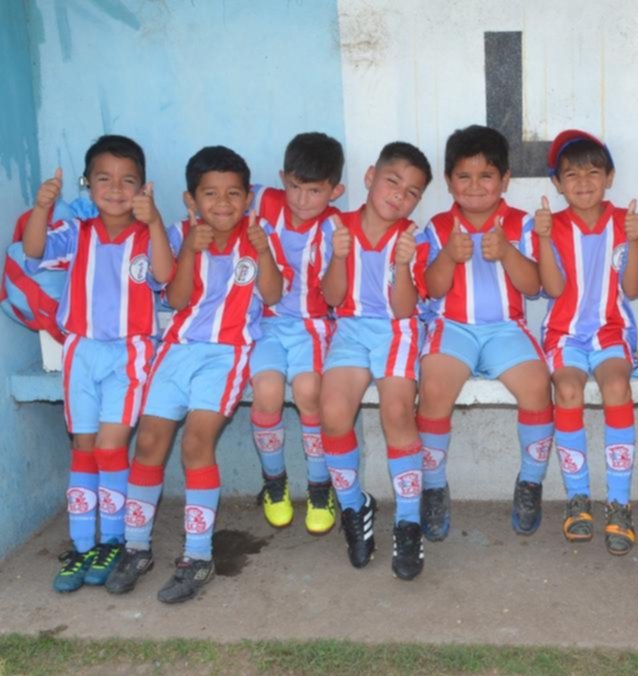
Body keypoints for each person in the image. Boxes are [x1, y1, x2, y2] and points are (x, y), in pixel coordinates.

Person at [105, 146, 288, 603]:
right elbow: (179, 298)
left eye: (233, 194)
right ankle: (135, 546)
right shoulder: (178, 234)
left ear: (247, 198)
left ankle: (198, 556)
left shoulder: (258, 236)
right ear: (191, 200)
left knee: (195, 443)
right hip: (177, 350)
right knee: (148, 441)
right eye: (210, 194)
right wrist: (188, 246)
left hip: (227, 354)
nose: (222, 203)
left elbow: (273, 294)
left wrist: (264, 252)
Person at [22, 135, 174, 592]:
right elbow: (33, 251)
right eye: (104, 179)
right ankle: (82, 545)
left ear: (143, 188)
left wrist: (158, 222)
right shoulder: (77, 233)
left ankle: (114, 540)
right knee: (84, 447)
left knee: (111, 447)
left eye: (128, 180)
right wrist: (42, 209)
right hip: (81, 352)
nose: (115, 188)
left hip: (129, 353)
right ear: (88, 185)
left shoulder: (149, 237)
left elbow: (166, 276)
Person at [416, 125, 553, 540]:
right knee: (435, 390)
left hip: (506, 329)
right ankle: (434, 486)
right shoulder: (437, 227)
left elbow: (533, 287)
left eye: (486, 176)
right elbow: (432, 288)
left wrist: (509, 252)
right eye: (464, 176)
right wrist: (446, 258)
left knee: (536, 387)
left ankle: (530, 482)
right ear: (448, 181)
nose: (475, 186)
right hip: (451, 327)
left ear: (505, 179)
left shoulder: (522, 224)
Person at [318, 142, 432, 580]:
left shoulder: (412, 237)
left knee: (398, 411)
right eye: (392, 181)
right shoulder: (337, 227)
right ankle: (353, 509)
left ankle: (408, 522)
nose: (399, 196)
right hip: (349, 328)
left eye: (412, 192)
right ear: (370, 177)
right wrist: (340, 256)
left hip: (396, 329)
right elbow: (331, 297)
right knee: (332, 414)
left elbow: (405, 311)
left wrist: (403, 266)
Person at [535, 129, 638, 556]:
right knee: (567, 389)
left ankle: (619, 503)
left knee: (617, 385)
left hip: (611, 330)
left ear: (610, 177)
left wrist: (635, 241)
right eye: (571, 174)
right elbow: (552, 286)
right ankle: (578, 498)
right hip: (564, 332)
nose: (583, 182)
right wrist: (543, 239)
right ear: (558, 184)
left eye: (593, 172)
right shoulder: (551, 226)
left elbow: (633, 289)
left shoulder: (625, 222)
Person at [248, 132, 346, 535]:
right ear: (281, 178)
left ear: (335, 191)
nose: (302, 199)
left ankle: (320, 485)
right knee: (267, 391)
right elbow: (220, 194)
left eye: (314, 191)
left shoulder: (335, 228)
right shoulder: (261, 201)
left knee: (308, 391)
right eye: (294, 187)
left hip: (312, 326)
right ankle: (275, 481)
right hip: (266, 323)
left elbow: (335, 294)